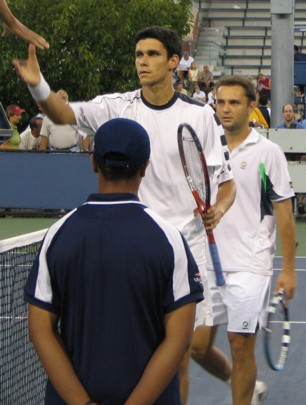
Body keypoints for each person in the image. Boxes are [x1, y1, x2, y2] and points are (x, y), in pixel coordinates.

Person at [13, 26, 236, 403]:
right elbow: (64, 113)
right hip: (133, 243)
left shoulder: (202, 116)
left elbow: (227, 184)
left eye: (151, 54)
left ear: (173, 61)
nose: (142, 62)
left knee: (178, 355)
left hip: (185, 248)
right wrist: (38, 86)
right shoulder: (118, 106)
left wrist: (218, 208)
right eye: (138, 55)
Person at [24, 117, 204, 405]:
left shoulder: (58, 235)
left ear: (94, 162)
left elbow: (40, 330)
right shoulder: (170, 240)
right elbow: (179, 339)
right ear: (146, 167)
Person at [191, 76, 297, 405]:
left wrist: (289, 269)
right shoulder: (205, 151)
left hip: (251, 265)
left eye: (234, 103)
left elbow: (284, 212)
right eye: (220, 102)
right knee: (196, 346)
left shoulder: (268, 152)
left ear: (251, 106)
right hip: (207, 262)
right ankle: (249, 391)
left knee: (240, 344)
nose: (225, 109)